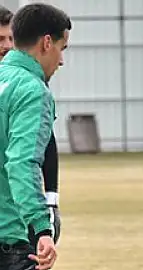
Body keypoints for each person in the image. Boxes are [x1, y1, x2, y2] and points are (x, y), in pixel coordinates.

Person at [0, 3, 79, 270]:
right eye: (63, 48)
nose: (62, 60)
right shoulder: (31, 91)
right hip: (9, 242)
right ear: (46, 43)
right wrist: (40, 227)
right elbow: (22, 162)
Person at [0, 4, 62, 246]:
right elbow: (21, 162)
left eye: (10, 39)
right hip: (9, 232)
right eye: (0, 39)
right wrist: (39, 222)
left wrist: (51, 199)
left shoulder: (23, 84)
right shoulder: (30, 89)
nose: (7, 45)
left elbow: (47, 144)